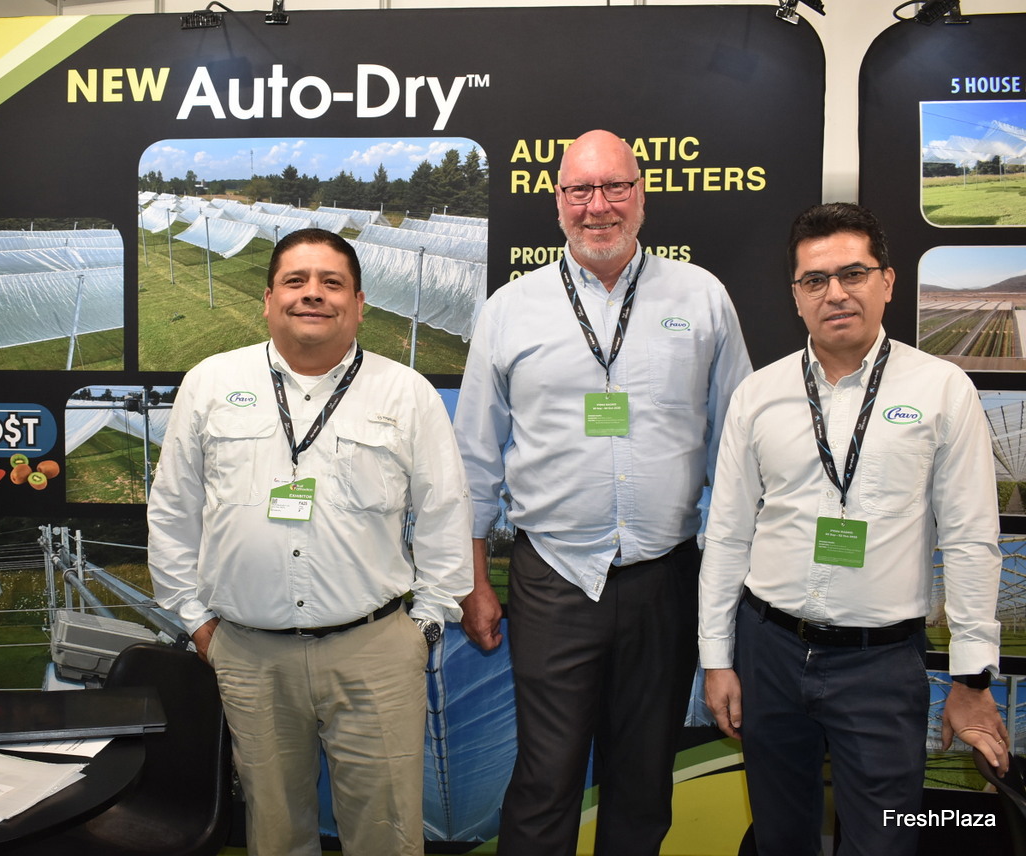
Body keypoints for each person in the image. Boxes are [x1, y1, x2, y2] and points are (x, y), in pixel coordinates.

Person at [456, 129, 752, 855]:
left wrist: (730, 586)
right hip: (553, 578)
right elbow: (474, 459)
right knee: (546, 778)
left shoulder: (703, 297)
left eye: (615, 186)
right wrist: (474, 581)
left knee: (644, 781)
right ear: (557, 200)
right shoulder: (509, 309)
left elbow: (739, 451)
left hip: (665, 578)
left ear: (641, 196)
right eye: (580, 190)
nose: (598, 206)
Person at [147, 228, 473, 856]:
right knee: (274, 833)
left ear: (359, 303)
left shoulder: (406, 393)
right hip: (249, 654)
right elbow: (173, 507)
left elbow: (444, 511)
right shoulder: (210, 383)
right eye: (295, 281)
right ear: (268, 300)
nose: (313, 294)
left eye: (332, 283)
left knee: (386, 834)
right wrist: (195, 619)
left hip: (374, 653)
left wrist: (426, 624)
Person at [698, 202, 1008, 856]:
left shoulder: (942, 389)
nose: (834, 293)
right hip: (769, 652)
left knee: (884, 843)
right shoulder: (759, 394)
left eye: (853, 274)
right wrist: (718, 659)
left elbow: (971, 539)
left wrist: (973, 678)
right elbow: (726, 534)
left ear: (887, 282)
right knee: (781, 838)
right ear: (796, 296)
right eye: (815, 280)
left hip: (880, 664)